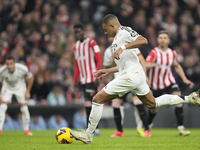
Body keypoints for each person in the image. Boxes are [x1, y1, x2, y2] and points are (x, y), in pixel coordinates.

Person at [70, 14, 200, 144]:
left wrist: (123, 47)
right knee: (152, 103)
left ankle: (88, 135)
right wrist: (108, 70)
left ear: (112, 25)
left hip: (130, 76)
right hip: (135, 75)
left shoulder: (124, 31)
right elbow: (124, 66)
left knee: (97, 99)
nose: (105, 32)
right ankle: (189, 98)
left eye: (105, 29)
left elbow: (143, 40)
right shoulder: (115, 41)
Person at [146, 30, 194, 136]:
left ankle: (181, 128)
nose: (163, 40)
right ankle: (148, 126)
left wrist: (184, 79)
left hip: (169, 82)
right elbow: (146, 64)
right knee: (153, 109)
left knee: (178, 99)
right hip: (155, 85)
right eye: (161, 38)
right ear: (158, 40)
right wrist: (149, 66)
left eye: (165, 38)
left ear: (168, 40)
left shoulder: (172, 53)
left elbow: (176, 66)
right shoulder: (154, 52)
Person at [103, 36, 150, 137]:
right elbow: (107, 67)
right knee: (116, 104)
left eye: (113, 35)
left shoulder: (128, 45)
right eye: (109, 36)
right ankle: (119, 131)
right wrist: (104, 81)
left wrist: (145, 75)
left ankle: (146, 130)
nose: (111, 38)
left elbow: (141, 59)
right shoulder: (108, 51)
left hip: (132, 78)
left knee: (137, 102)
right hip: (120, 81)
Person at [73, 23, 102, 135]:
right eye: (76, 32)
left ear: (83, 32)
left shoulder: (92, 43)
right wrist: (75, 81)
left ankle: (95, 129)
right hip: (83, 79)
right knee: (87, 103)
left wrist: (97, 77)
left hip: (92, 78)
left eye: (79, 31)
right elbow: (76, 65)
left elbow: (99, 60)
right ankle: (92, 129)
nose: (78, 34)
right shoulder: (75, 46)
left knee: (91, 102)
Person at [0, 56, 34, 135]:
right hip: (7, 87)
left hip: (20, 87)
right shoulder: (2, 71)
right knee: (2, 107)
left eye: (11, 64)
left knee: (24, 108)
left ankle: (26, 130)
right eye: (7, 64)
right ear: (5, 64)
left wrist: (28, 91)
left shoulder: (22, 68)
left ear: (14, 63)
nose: (9, 66)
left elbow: (31, 77)